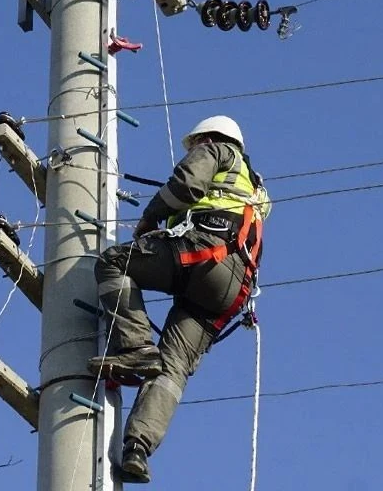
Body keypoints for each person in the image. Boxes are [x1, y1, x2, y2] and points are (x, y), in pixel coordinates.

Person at [88, 115, 271, 484]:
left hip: (206, 254)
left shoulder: (216, 151)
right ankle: (137, 448)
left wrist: (151, 218)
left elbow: (185, 185)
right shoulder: (257, 188)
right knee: (173, 368)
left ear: (208, 137)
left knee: (113, 262)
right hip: (230, 290)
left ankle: (136, 346)